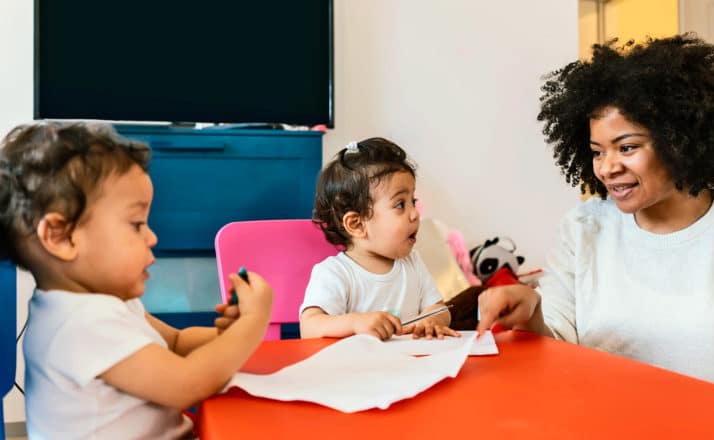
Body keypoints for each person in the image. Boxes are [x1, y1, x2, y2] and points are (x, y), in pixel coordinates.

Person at [477, 33, 714, 394]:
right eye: (597, 151)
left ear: (680, 141)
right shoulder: (583, 228)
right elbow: (557, 342)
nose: (607, 168)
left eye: (627, 147)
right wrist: (530, 312)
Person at [0, 122, 274, 438]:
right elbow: (187, 384)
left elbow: (175, 343)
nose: (152, 237)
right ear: (61, 237)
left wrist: (227, 333)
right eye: (136, 224)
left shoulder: (105, 302)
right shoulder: (80, 324)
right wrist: (253, 323)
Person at [299, 137, 457, 341]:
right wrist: (355, 322)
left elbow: (439, 309)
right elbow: (309, 327)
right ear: (357, 224)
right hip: (357, 370)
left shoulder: (413, 264)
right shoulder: (335, 273)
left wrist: (432, 321)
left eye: (413, 201)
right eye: (400, 204)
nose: (415, 214)